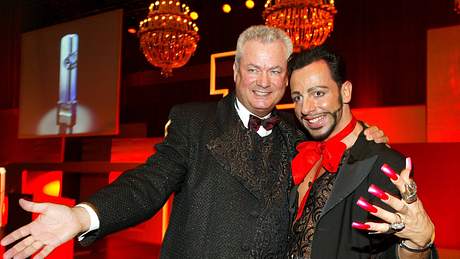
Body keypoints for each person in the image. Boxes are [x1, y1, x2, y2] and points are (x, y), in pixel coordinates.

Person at [0, 26, 387, 259]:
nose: (263, 81)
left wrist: (366, 133)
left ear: (286, 78)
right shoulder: (193, 121)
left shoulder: (295, 133)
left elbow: (333, 128)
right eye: (253, 69)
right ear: (235, 71)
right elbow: (148, 184)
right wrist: (82, 216)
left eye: (274, 71)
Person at [286, 46, 436, 258]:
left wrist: (417, 244)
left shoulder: (385, 164)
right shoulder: (298, 151)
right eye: (297, 97)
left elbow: (392, 252)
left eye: (318, 93)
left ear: (345, 91)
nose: (306, 109)